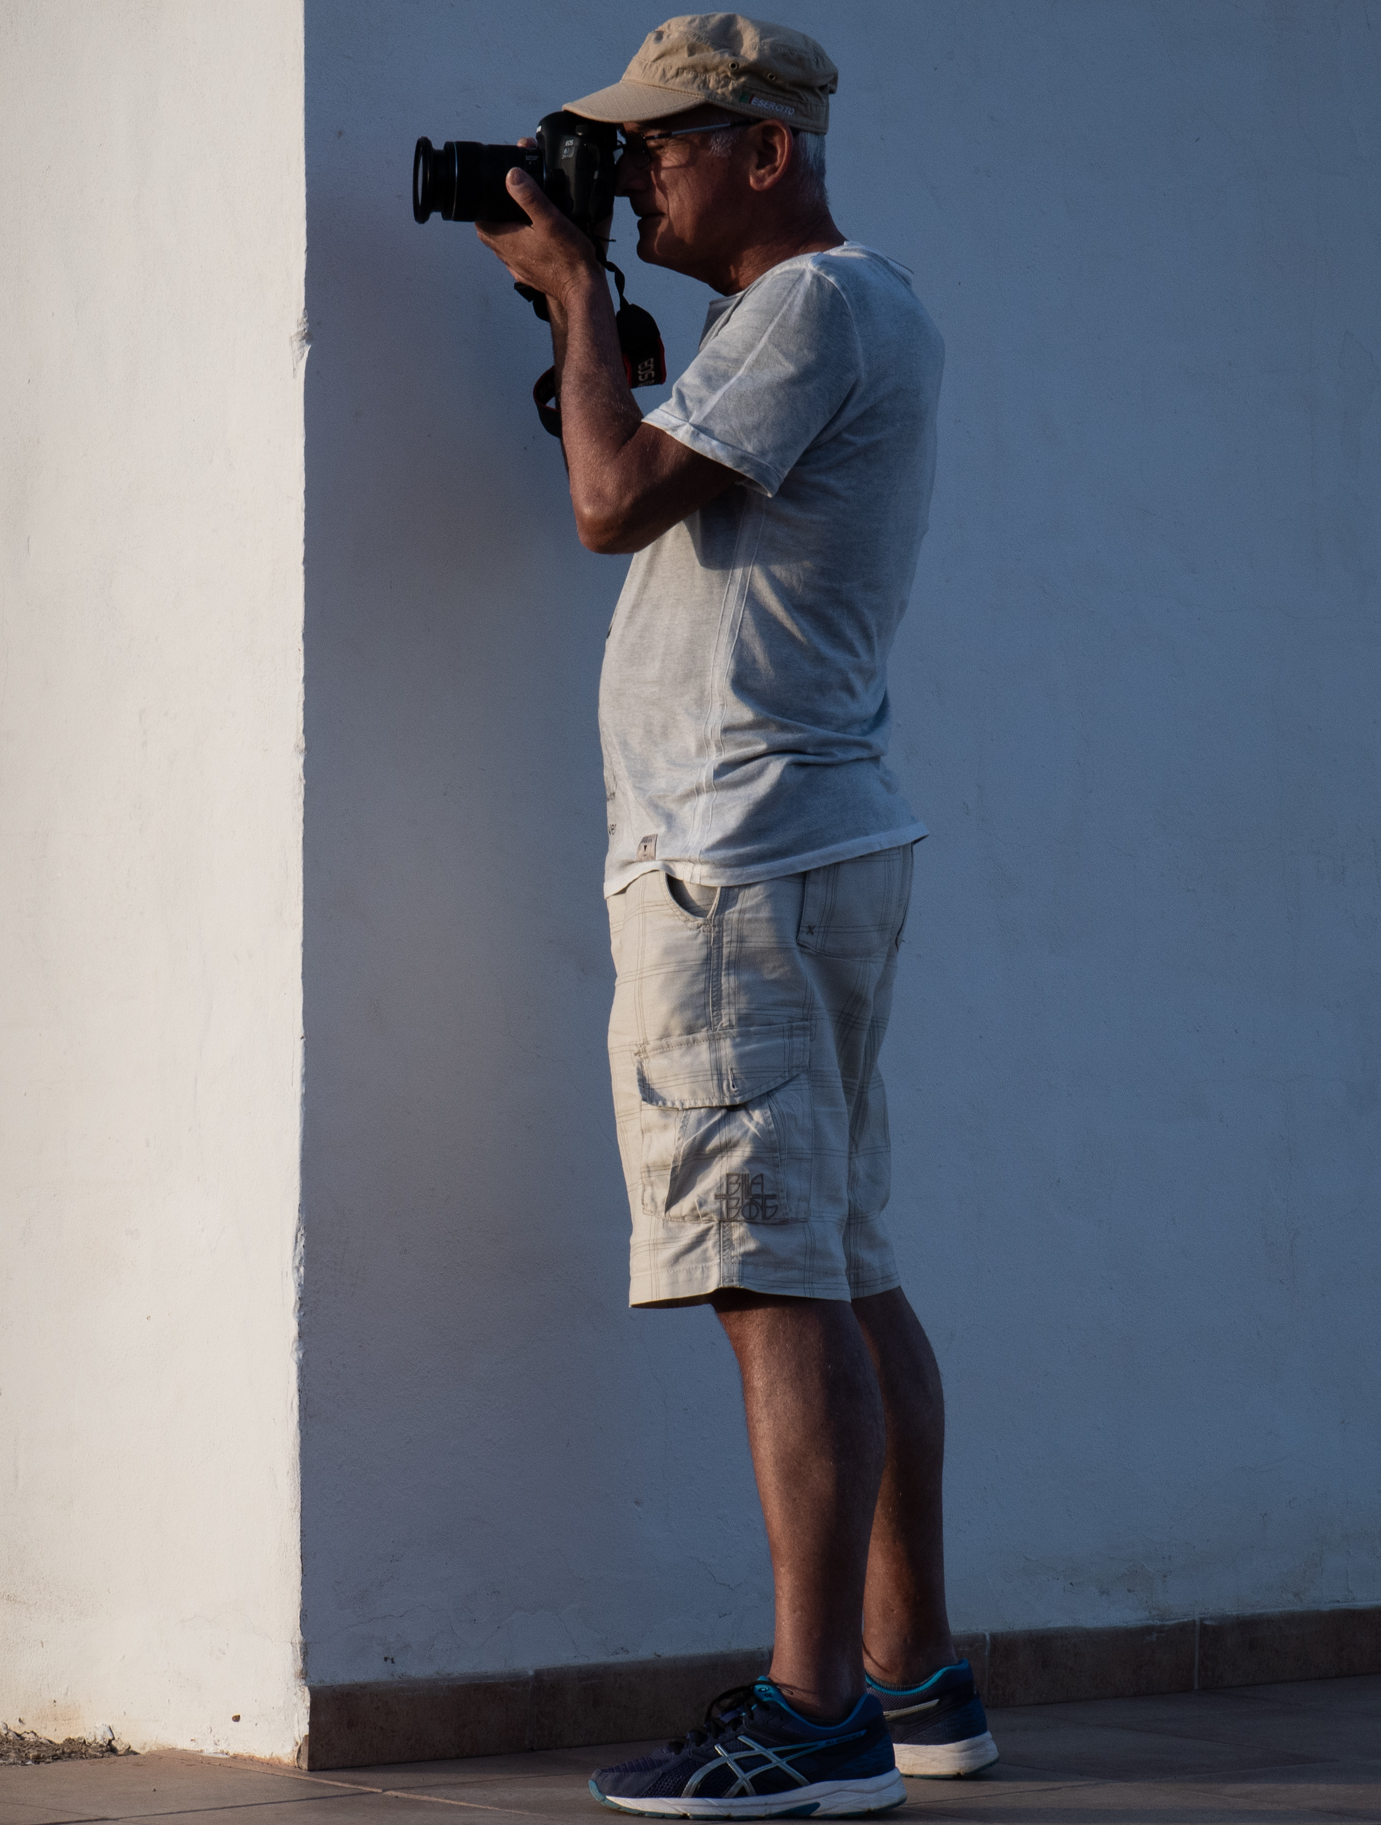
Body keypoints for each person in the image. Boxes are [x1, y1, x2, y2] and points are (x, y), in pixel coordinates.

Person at [471, 16, 992, 1817]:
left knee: (769, 1281)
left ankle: (812, 1714)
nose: (632, 180)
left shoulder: (810, 310)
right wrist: (604, 338)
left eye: (659, 148)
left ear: (762, 149)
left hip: (735, 858)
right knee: (842, 1267)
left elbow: (608, 504)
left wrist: (561, 303)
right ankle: (912, 1681)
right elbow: (658, 480)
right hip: (809, 839)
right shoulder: (843, 317)